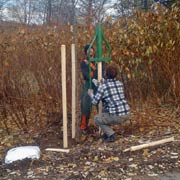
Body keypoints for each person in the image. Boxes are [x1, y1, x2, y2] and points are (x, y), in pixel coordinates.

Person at [88, 64, 130, 142]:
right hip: (126, 113)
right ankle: (106, 133)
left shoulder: (103, 87)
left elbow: (94, 101)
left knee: (97, 118)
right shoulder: (119, 84)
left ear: (105, 74)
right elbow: (109, 89)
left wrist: (91, 94)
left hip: (116, 116)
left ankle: (111, 135)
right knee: (106, 110)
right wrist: (99, 84)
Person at [80, 45, 98, 132]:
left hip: (98, 83)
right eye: (88, 50)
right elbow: (85, 73)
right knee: (85, 103)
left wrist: (99, 79)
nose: (90, 52)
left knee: (101, 102)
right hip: (88, 84)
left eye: (91, 50)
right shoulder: (84, 62)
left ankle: (103, 124)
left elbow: (102, 70)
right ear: (86, 52)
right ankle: (84, 125)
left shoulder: (98, 61)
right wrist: (92, 79)